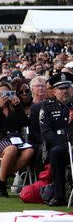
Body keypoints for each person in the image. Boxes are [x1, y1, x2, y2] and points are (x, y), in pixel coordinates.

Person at [0, 82, 34, 197]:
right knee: (11, 149)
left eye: (7, 93)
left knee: (30, 151)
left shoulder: (14, 109)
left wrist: (18, 106)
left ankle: (0, 177)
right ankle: (2, 183)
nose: (5, 96)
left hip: (15, 140)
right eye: (1, 94)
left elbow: (25, 123)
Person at [40, 72, 73, 206]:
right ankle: (59, 195)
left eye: (67, 87)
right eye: (61, 88)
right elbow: (46, 132)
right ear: (54, 91)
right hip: (60, 148)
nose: (64, 91)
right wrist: (66, 145)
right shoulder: (47, 107)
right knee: (56, 152)